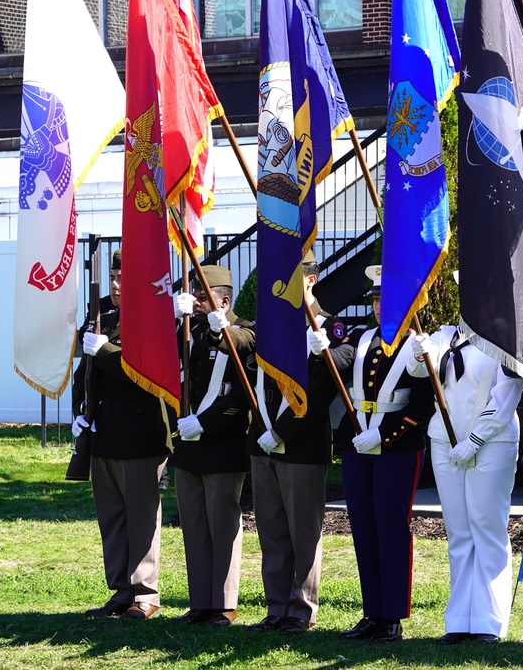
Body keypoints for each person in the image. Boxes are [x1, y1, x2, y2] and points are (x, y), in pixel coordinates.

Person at [408, 283, 523, 645]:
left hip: (490, 443)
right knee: (459, 533)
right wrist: (418, 353)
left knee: (487, 529)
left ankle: (490, 621)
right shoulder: (445, 335)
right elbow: (419, 374)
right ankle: (459, 619)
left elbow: (507, 393)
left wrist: (476, 438)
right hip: (445, 442)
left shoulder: (505, 338)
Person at [247, 250, 353, 635]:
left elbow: (327, 385)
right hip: (263, 441)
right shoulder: (273, 323)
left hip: (300, 445)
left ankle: (301, 609)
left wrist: (324, 352)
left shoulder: (326, 327)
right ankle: (276, 607)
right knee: (271, 531)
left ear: (310, 279)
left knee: (303, 532)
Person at [71, 248, 175, 620]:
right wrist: (80, 412)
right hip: (105, 431)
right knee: (112, 517)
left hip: (142, 430)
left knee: (142, 516)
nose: (116, 285)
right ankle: (120, 589)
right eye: (113, 277)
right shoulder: (100, 310)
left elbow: (145, 369)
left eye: (123, 278)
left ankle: (145, 593)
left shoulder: (153, 313)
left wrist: (105, 352)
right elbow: (86, 369)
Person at [335, 264, 434, 643]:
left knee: (391, 529)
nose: (379, 307)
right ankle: (371, 612)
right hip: (359, 444)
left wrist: (385, 436)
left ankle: (392, 616)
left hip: (396, 448)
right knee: (363, 528)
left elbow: (422, 405)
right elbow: (339, 362)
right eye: (375, 301)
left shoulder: (417, 343)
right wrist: (319, 346)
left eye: (385, 300)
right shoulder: (361, 338)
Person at [171, 265, 255, 627]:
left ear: (222, 298)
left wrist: (204, 423)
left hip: (222, 444)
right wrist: (177, 322)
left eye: (202, 296)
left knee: (222, 525)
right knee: (194, 526)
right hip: (188, 447)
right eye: (195, 297)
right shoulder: (194, 330)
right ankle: (201, 601)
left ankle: (224, 603)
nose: (197, 302)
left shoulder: (245, 331)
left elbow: (243, 395)